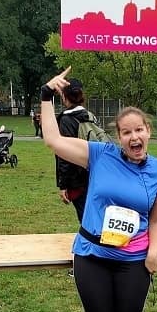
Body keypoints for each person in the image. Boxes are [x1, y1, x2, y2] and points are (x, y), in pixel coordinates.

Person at [40, 66, 157, 312]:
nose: (134, 137)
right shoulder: (100, 155)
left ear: (148, 132)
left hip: (133, 260)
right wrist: (46, 96)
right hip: (93, 256)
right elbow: (53, 141)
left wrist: (154, 250)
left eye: (139, 130)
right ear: (118, 136)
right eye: (126, 132)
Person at [54, 77, 93, 221]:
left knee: (86, 220)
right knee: (94, 216)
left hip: (77, 180)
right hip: (95, 175)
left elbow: (64, 155)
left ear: (64, 96)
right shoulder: (90, 116)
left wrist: (63, 185)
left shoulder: (66, 120)